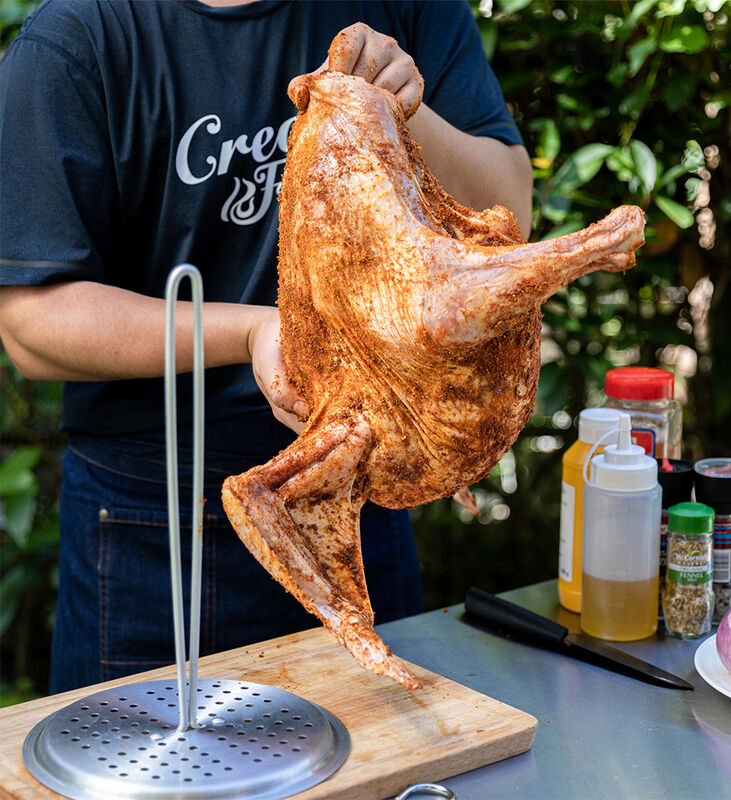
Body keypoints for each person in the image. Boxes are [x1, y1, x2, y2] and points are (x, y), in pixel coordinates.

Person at [0, 0, 532, 693]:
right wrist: (253, 330)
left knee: (384, 766)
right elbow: (34, 325)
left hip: (356, 495)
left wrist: (402, 112)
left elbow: (507, 215)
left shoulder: (407, 8)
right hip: (153, 525)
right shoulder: (79, 36)